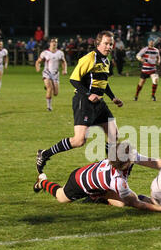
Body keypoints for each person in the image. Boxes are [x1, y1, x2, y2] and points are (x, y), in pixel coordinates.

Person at [36, 31, 124, 174]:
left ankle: (109, 170)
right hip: (84, 101)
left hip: (99, 103)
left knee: (114, 135)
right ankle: (45, 154)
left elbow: (102, 82)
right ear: (98, 43)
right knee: (79, 141)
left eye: (111, 44)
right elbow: (74, 79)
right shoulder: (89, 58)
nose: (109, 47)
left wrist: (113, 97)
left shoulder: (106, 61)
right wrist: (88, 94)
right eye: (106, 43)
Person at [33, 142, 161, 212]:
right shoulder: (117, 181)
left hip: (99, 182)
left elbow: (155, 162)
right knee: (61, 197)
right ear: (124, 164)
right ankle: (42, 181)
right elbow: (135, 203)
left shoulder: (125, 156)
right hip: (79, 181)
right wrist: (159, 209)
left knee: (122, 204)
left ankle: (99, 196)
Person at [35, 37, 67, 111]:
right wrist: (38, 67)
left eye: (55, 42)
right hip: (47, 73)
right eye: (52, 42)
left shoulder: (60, 53)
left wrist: (64, 70)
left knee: (55, 93)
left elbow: (63, 61)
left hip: (55, 74)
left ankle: (48, 86)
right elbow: (38, 61)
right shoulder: (45, 53)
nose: (54, 43)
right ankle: (49, 107)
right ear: (50, 43)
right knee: (50, 88)